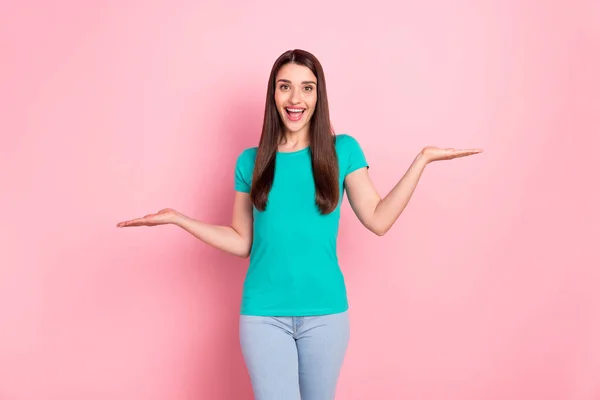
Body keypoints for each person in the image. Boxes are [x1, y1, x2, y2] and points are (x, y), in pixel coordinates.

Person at [116, 49, 483, 400]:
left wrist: (422, 160)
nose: (296, 98)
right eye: (285, 85)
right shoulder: (251, 161)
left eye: (307, 87)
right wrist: (180, 220)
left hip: (326, 314)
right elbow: (242, 241)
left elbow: (379, 219)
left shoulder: (344, 150)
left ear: (318, 95)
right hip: (263, 315)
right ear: (273, 93)